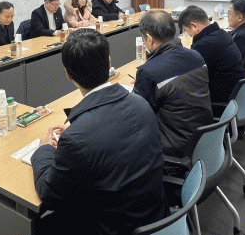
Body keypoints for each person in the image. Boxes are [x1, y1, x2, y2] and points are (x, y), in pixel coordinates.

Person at [31, 29, 169, 235]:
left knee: (42, 224)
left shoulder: (77, 138)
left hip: (114, 227)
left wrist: (44, 149)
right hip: (156, 216)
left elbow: (49, 194)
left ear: (68, 74)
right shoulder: (140, 103)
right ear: (109, 62)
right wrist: (79, 133)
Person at [133, 10, 213, 158]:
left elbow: (137, 114)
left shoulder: (149, 71)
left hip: (175, 145)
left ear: (149, 39)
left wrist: (141, 83)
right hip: (205, 134)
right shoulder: (196, 56)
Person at [178, 6, 244, 111]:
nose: (189, 35)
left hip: (221, 101)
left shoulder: (204, 44)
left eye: (186, 31)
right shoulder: (221, 33)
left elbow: (187, 76)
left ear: (194, 26)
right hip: (234, 94)